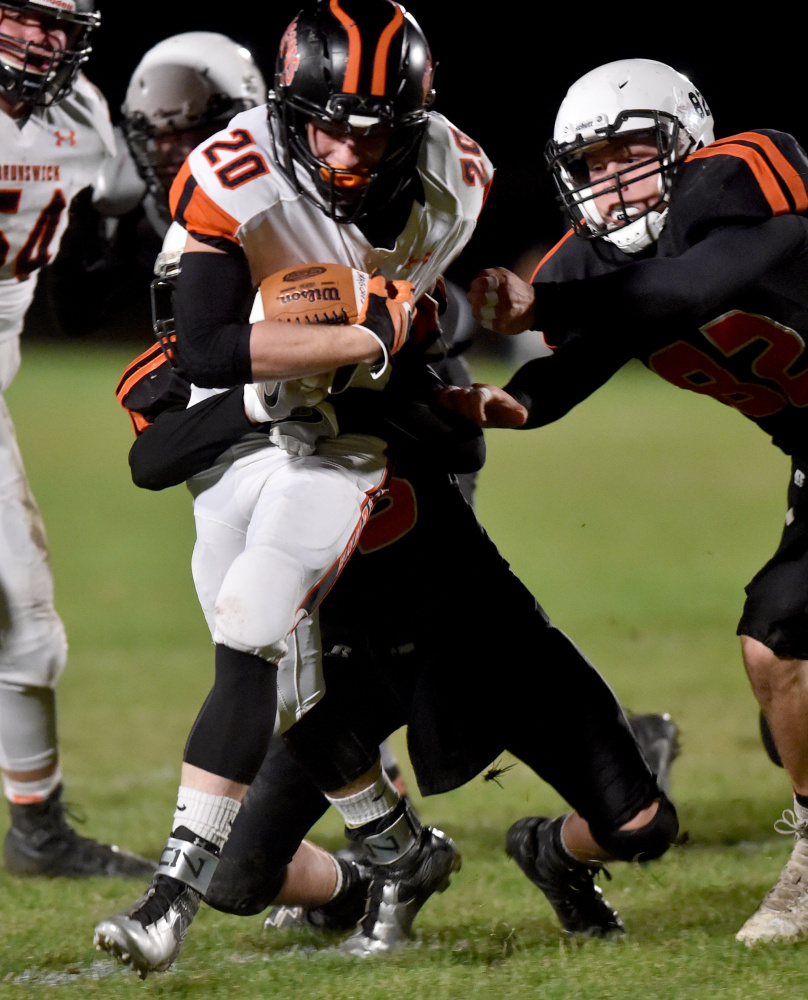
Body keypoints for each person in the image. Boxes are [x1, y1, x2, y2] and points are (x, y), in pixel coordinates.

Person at [96, 22, 678, 980]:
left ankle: (555, 822)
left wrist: (401, 362)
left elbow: (456, 437)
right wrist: (286, 384)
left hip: (459, 610)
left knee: (641, 824)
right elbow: (164, 442)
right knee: (251, 837)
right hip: (353, 642)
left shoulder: (414, 249)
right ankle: (396, 861)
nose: (347, 153)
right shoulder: (208, 349)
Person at [92, 0, 486, 975]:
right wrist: (340, 349)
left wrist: (420, 343)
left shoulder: (450, 176)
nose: (348, 153)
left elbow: (431, 323)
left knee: (267, 627)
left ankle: (167, 899)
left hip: (357, 441)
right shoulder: (229, 202)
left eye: (372, 131)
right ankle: (400, 851)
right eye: (328, 127)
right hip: (268, 440)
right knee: (289, 688)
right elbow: (172, 417)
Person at [439, 56, 808, 947]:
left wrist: (538, 312)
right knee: (781, 652)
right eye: (594, 163)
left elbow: (685, 289)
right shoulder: (589, 264)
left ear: (687, 142)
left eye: (633, 151)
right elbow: (586, 358)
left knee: (780, 644)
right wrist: (513, 402)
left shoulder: (744, 180)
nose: (616, 178)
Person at [0, 0, 157, 878]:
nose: (46, 42)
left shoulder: (85, 117)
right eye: (26, 18)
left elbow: (105, 249)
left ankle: (38, 830)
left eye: (63, 25)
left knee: (28, 627)